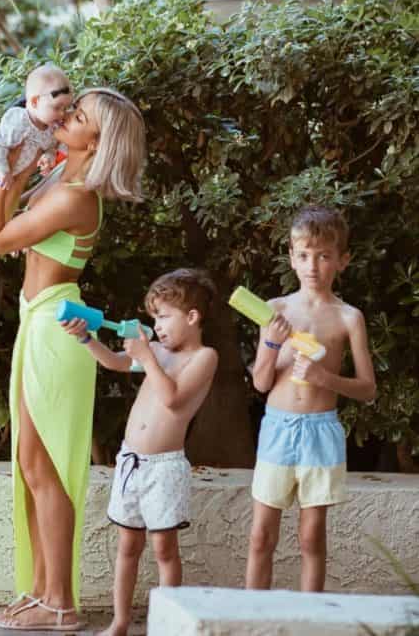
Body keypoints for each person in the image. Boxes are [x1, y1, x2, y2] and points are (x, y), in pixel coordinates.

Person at [0, 88, 146, 631]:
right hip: (38, 323)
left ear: (95, 141)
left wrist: (5, 176)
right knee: (30, 468)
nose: (64, 117)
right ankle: (40, 591)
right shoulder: (61, 178)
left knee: (45, 469)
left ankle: (60, 603)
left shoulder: (77, 197)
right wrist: (16, 166)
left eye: (77, 117)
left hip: (55, 330)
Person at [62, 269, 219, 636]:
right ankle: (120, 622)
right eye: (154, 319)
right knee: (127, 546)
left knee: (164, 549)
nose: (158, 326)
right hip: (131, 462)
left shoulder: (204, 357)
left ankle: (167, 625)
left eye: (164, 316)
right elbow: (115, 362)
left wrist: (148, 356)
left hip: (164, 468)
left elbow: (174, 399)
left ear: (192, 317)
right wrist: (86, 337)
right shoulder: (159, 350)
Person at [245, 204, 377, 592]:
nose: (312, 266)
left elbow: (367, 388)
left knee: (311, 537)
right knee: (260, 537)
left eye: (323, 256)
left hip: (321, 431)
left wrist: (325, 378)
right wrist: (271, 343)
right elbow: (261, 383)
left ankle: (310, 619)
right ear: (291, 256)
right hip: (277, 428)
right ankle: (251, 618)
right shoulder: (275, 310)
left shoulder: (348, 317)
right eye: (303, 255)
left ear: (342, 260)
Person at [0, 63, 72, 256]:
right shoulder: (18, 120)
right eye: (57, 107)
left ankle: (5, 237)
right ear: (35, 101)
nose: (63, 114)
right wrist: (2, 171)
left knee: (6, 207)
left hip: (12, 175)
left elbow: (51, 148)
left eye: (66, 108)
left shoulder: (51, 127)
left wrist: (48, 157)